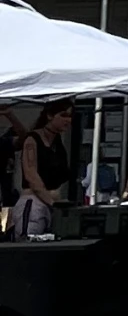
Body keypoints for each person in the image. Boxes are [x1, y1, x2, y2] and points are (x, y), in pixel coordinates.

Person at [12, 100, 78, 237]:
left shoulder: (57, 142)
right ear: (50, 116)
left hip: (51, 204)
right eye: (63, 115)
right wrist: (52, 202)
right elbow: (31, 175)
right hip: (34, 202)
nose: (68, 120)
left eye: (70, 116)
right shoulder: (33, 139)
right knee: (29, 244)